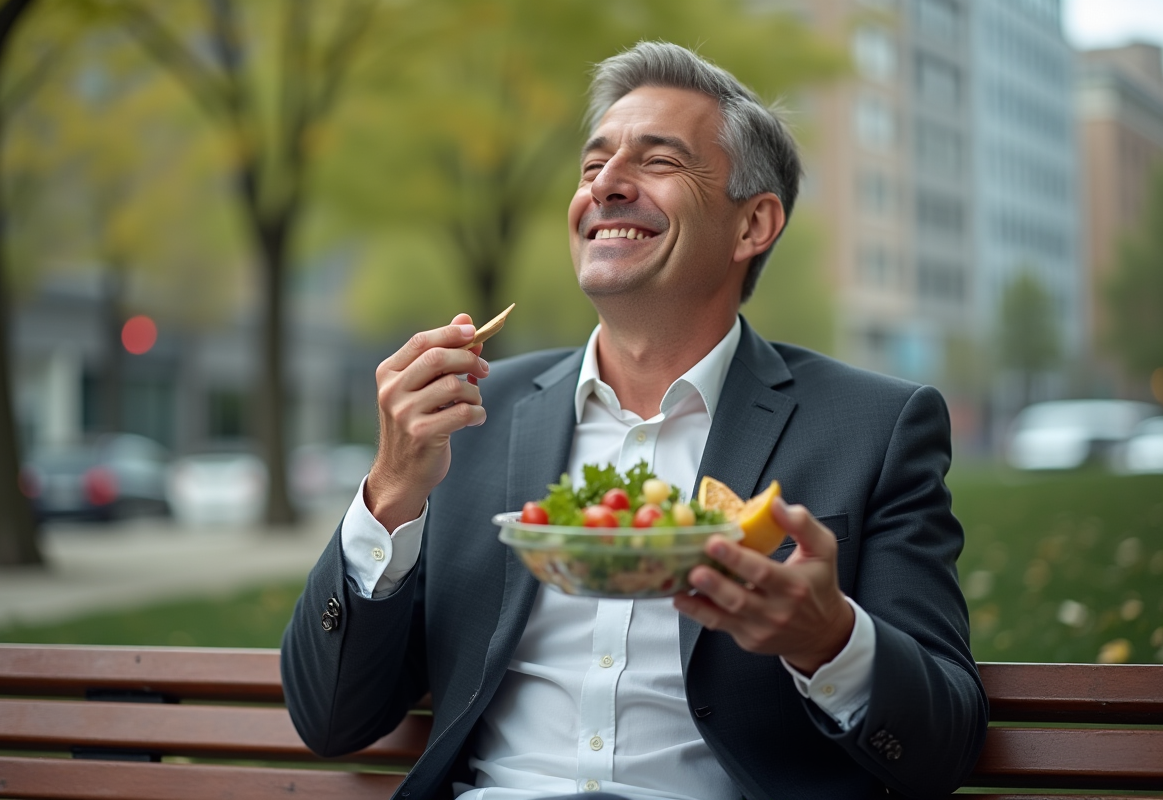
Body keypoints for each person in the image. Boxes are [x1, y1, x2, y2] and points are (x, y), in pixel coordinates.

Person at [281, 41, 988, 800]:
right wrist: (390, 491)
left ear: (754, 225)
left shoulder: (875, 429)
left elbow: (943, 749)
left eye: (658, 162)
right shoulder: (470, 416)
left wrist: (830, 642)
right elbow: (330, 721)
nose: (606, 187)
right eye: (592, 167)